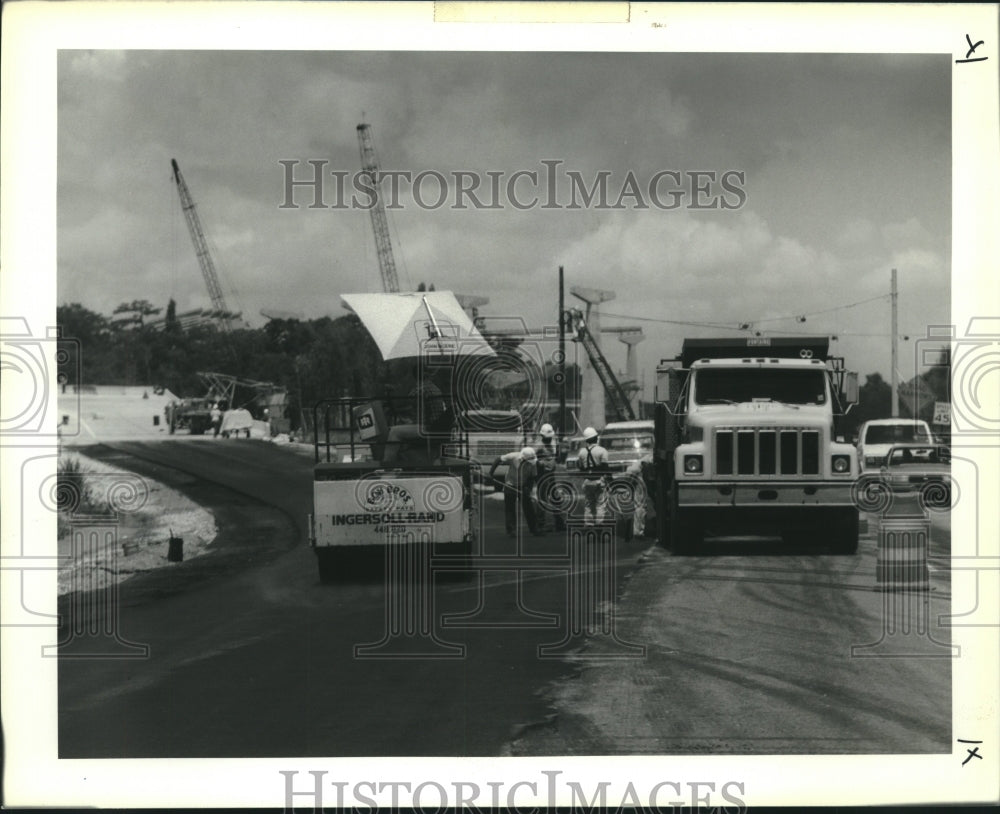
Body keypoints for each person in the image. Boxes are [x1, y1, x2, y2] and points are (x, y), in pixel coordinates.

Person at [489, 446, 541, 537]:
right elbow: (498, 460)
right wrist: (491, 474)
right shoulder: (513, 457)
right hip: (510, 484)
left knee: (528, 507)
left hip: (523, 485)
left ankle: (534, 529)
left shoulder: (533, 463)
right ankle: (511, 530)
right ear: (523, 458)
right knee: (510, 508)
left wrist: (528, 488)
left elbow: (532, 477)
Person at [534, 423, 565, 532]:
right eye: (547, 438)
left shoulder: (554, 442)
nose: (548, 439)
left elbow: (557, 456)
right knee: (542, 499)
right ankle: (540, 524)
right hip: (542, 475)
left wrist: (558, 455)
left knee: (556, 497)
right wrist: (540, 462)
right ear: (542, 436)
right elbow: (531, 458)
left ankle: (559, 523)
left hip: (551, 474)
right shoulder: (538, 445)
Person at [577, 426, 610, 526]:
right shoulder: (602, 451)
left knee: (588, 504)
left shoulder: (581, 452)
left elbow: (580, 467)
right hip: (599, 481)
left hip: (587, 481)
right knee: (600, 504)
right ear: (596, 438)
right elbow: (605, 468)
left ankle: (589, 525)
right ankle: (599, 525)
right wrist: (611, 480)